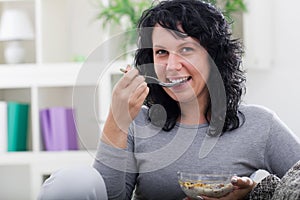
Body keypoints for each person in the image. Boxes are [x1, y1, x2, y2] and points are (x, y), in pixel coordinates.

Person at [38, 0, 300, 199]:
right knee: (73, 179)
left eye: (186, 49)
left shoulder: (259, 125)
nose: (172, 66)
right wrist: (116, 121)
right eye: (162, 52)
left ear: (214, 57)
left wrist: (255, 192)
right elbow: (108, 196)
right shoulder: (137, 122)